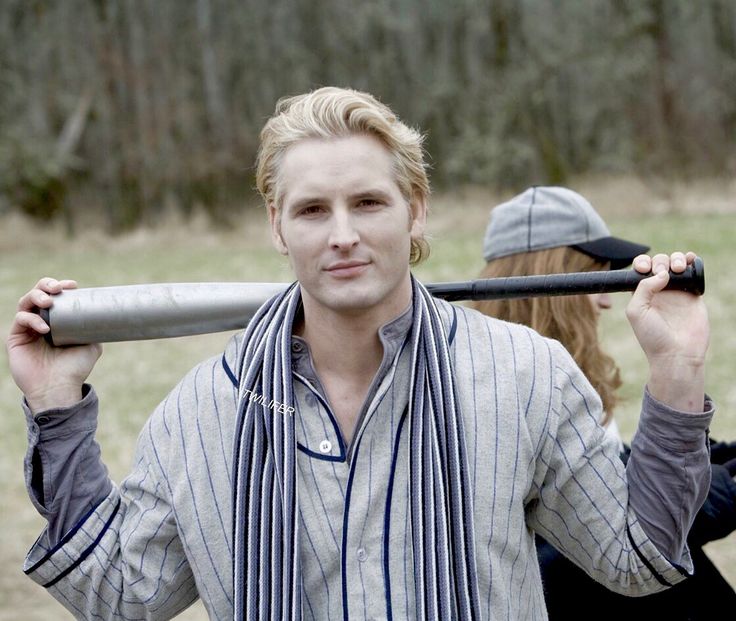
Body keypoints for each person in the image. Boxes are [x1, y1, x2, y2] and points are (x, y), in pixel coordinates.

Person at [7, 88, 713, 620]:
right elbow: (119, 595)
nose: (341, 234)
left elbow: (637, 560)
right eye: (312, 210)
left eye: (369, 203)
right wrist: (55, 404)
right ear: (276, 226)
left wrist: (677, 370)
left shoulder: (525, 376)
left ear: (417, 208)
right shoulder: (202, 413)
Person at [473, 185, 736, 619]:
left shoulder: (575, 379)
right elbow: (567, 548)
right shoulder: (497, 389)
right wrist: (713, 500)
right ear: (549, 279)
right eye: (597, 276)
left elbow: (611, 465)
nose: (606, 300)